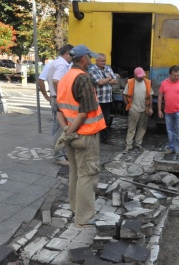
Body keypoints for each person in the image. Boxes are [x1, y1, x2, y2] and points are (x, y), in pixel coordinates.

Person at [56, 44, 105, 227]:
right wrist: (72, 131)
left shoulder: (65, 78)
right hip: (85, 135)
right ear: (84, 59)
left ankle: (75, 207)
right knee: (88, 174)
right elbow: (85, 113)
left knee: (75, 172)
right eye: (90, 58)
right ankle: (85, 217)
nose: (91, 61)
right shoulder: (83, 78)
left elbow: (59, 110)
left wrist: (66, 131)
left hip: (71, 135)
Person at [47, 44, 74, 166]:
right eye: (72, 55)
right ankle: (59, 156)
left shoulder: (55, 62)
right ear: (67, 53)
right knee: (60, 129)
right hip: (59, 99)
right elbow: (56, 80)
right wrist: (61, 96)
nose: (72, 58)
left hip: (55, 98)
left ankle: (61, 153)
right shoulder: (62, 65)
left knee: (57, 127)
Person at [122, 67, 153, 153]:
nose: (141, 77)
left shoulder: (147, 82)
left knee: (142, 128)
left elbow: (150, 95)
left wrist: (150, 108)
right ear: (135, 75)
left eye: (142, 76)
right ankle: (128, 145)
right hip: (134, 109)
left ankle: (138, 144)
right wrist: (128, 105)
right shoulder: (130, 82)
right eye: (139, 76)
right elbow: (124, 95)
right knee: (131, 128)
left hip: (144, 109)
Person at [89, 53, 117, 145]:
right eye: (102, 61)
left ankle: (104, 138)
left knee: (107, 119)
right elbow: (99, 82)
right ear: (96, 61)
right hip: (98, 99)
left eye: (104, 60)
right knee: (97, 119)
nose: (104, 62)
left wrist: (106, 80)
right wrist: (109, 78)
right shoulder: (93, 70)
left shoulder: (108, 68)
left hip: (107, 99)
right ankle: (96, 137)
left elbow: (115, 80)